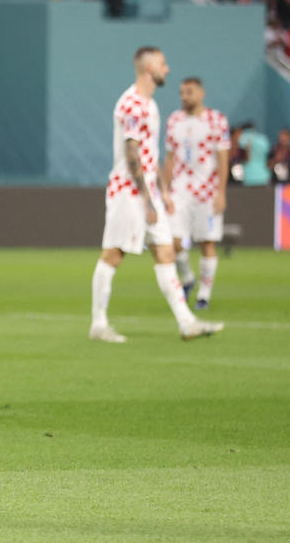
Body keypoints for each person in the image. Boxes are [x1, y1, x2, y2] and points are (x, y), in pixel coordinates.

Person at [89, 47, 223, 344]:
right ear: (149, 67)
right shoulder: (132, 104)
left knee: (165, 252)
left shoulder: (150, 105)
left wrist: (162, 191)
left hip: (148, 193)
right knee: (114, 253)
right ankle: (98, 323)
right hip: (129, 192)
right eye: (163, 63)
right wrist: (148, 200)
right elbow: (132, 151)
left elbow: (151, 155)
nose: (168, 68)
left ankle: (186, 322)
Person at [163, 77, 229, 310]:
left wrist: (221, 192)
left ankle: (204, 293)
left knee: (206, 243)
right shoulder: (174, 120)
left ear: (201, 93)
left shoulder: (216, 120)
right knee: (173, 239)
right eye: (182, 92)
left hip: (207, 192)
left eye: (189, 92)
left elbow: (223, 158)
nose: (184, 97)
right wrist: (164, 189)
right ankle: (188, 278)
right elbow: (170, 158)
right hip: (180, 190)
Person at [237, 121, 270, 186]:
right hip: (264, 177)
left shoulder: (242, 138)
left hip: (249, 178)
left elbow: (245, 158)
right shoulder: (263, 139)